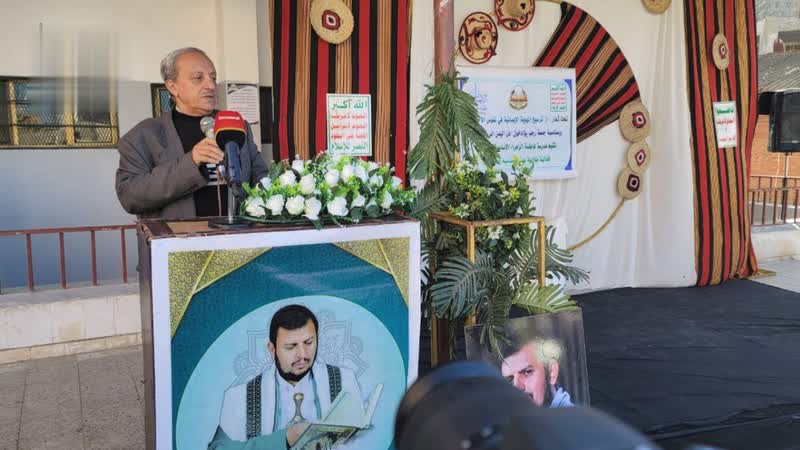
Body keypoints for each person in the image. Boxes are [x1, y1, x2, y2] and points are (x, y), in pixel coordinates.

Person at [115, 47, 268, 220]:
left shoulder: (237, 126)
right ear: (173, 87)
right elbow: (130, 197)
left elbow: (261, 177)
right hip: (179, 236)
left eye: (213, 77)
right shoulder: (143, 135)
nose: (211, 85)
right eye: (198, 78)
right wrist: (192, 161)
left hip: (240, 234)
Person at [208, 305, 364, 449]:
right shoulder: (238, 397)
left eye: (308, 343)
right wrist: (284, 439)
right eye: (291, 347)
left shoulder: (344, 380)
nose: (302, 355)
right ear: (272, 349)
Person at [501, 339, 574, 408]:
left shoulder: (571, 417)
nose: (516, 386)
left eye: (527, 372)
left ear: (552, 372)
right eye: (509, 380)